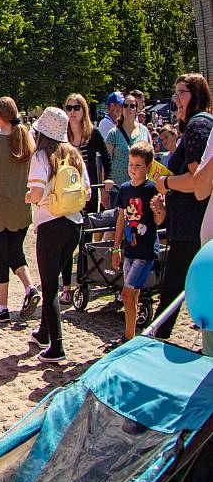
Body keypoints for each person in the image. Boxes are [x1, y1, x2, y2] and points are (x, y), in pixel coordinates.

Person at [26, 107, 91, 363]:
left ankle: (57, 346)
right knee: (53, 279)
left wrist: (30, 198)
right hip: (74, 224)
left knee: (49, 287)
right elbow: (87, 191)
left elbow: (36, 193)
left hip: (50, 224)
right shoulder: (74, 154)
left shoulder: (41, 156)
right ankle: (43, 333)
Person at [153, 74, 213, 338]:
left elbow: (196, 180)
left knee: (172, 289)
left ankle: (154, 341)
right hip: (193, 224)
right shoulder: (200, 125)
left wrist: (165, 182)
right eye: (175, 92)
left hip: (192, 227)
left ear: (196, 96)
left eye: (182, 92)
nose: (176, 99)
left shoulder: (197, 126)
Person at [0, 96, 40, 323]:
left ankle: (3, 307)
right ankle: (30, 288)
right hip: (21, 207)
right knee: (15, 252)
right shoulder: (27, 138)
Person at [107, 142, 164, 351]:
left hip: (145, 249)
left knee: (126, 293)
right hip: (129, 248)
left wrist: (159, 210)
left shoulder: (152, 189)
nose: (133, 169)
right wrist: (116, 247)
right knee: (133, 293)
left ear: (148, 166)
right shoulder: (124, 189)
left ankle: (128, 337)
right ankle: (131, 334)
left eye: (138, 165)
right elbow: (121, 219)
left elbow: (159, 221)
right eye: (131, 164)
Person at [59, 93, 110, 305]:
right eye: (69, 108)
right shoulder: (62, 135)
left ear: (83, 110)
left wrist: (108, 180)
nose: (72, 112)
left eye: (76, 108)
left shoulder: (92, 134)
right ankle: (67, 287)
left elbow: (106, 158)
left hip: (87, 192)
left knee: (85, 238)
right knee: (66, 240)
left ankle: (82, 281)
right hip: (66, 194)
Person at [105, 90, 152, 190]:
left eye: (132, 106)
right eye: (125, 105)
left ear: (136, 110)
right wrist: (105, 189)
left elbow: (151, 157)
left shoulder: (144, 131)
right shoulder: (114, 133)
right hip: (118, 188)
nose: (128, 108)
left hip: (141, 187)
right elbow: (106, 162)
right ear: (122, 109)